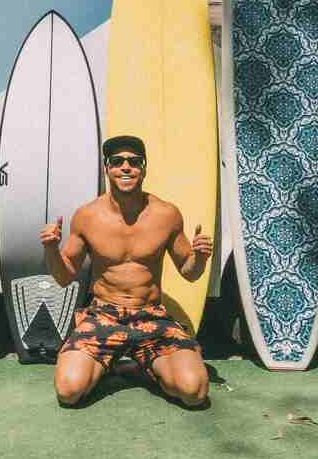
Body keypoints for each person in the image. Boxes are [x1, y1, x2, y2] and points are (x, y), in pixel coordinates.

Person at [40, 134, 213, 408]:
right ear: (107, 168)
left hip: (151, 316)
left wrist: (200, 257)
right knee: (69, 392)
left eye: (134, 162)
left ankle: (142, 367)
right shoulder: (87, 216)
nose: (126, 167)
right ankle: (108, 363)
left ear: (144, 168)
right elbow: (64, 277)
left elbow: (189, 272)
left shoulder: (166, 215)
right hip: (103, 315)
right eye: (117, 161)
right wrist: (51, 249)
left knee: (195, 392)